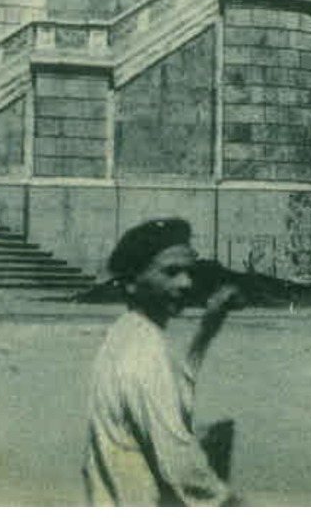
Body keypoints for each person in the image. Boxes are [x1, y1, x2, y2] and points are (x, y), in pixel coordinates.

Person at [81, 217, 243, 506]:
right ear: (131, 282)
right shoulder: (146, 351)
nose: (186, 283)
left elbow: (173, 391)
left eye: (188, 272)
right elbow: (181, 466)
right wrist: (231, 506)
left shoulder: (126, 332)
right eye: (170, 272)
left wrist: (207, 330)